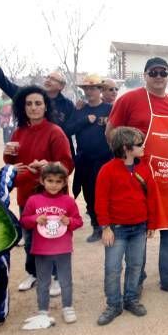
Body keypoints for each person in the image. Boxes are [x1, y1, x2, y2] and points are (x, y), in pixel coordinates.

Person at [106, 57, 168, 297]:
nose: (159, 76)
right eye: (154, 72)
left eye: (163, 72)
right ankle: (136, 280)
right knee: (139, 229)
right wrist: (123, 165)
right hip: (138, 176)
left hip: (167, 175)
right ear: (145, 75)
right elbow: (111, 133)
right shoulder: (129, 100)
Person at [3, 85, 74, 292]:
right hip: (27, 194)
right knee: (30, 239)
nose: (33, 108)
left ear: (45, 107)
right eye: (29, 104)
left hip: (51, 196)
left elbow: (67, 165)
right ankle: (33, 272)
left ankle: (57, 277)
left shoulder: (55, 132)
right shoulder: (18, 132)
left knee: (52, 236)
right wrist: (8, 154)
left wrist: (48, 166)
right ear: (22, 107)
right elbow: (12, 163)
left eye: (38, 103)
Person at [95, 127, 156, 326]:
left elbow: (151, 197)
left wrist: (151, 223)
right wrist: (105, 227)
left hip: (139, 227)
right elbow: (101, 200)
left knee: (136, 265)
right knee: (112, 268)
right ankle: (113, 304)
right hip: (117, 228)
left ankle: (131, 299)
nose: (143, 146)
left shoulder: (144, 168)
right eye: (139, 144)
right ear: (126, 147)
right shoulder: (107, 170)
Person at [19, 162, 83, 329]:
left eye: (58, 181)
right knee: (43, 282)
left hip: (63, 249)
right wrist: (34, 219)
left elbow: (78, 221)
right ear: (42, 181)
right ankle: (42, 311)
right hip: (41, 250)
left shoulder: (68, 201)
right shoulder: (34, 200)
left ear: (64, 183)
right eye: (50, 181)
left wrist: (69, 221)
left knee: (65, 281)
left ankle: (68, 307)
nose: (54, 185)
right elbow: (24, 221)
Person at [0, 52, 75, 155]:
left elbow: (70, 129)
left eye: (52, 79)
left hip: (56, 150)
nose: (48, 80)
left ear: (61, 86)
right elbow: (8, 86)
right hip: (33, 146)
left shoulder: (68, 105)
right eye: (47, 77)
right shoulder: (31, 94)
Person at [65, 75, 113, 242]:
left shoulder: (110, 109)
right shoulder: (79, 110)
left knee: (107, 194)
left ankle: (109, 226)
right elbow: (67, 130)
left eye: (93, 88)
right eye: (86, 88)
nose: (89, 91)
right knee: (89, 194)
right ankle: (96, 227)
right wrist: (85, 120)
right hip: (85, 159)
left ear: (100, 90)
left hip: (106, 159)